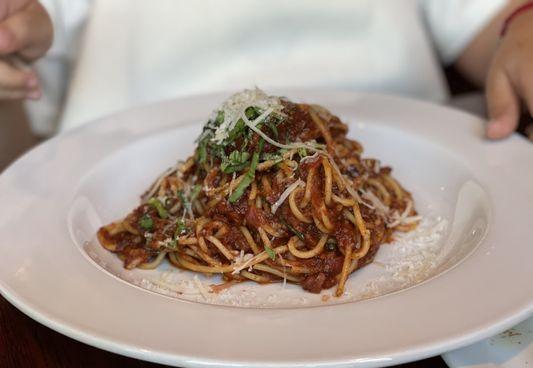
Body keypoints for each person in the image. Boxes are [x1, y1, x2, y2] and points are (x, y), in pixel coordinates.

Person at [0, 0, 531, 139]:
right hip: (128, 157)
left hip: (397, 147)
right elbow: (42, 19)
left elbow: (486, 20)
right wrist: (22, 31)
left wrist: (521, 29)